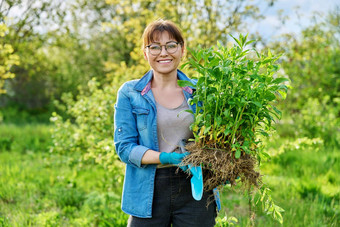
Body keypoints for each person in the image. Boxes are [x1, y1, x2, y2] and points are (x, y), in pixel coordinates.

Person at [114, 19, 218, 227]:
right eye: (155, 47)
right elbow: (124, 147)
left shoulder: (202, 92)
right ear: (145, 53)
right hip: (148, 188)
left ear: (182, 50)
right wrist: (167, 156)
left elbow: (217, 137)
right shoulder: (130, 93)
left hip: (195, 186)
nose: (164, 53)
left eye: (171, 45)